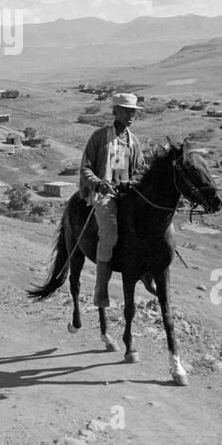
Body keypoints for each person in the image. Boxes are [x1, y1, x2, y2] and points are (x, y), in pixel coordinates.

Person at [79, 92, 147, 308]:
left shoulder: (133, 141)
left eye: (133, 111)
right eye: (126, 110)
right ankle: (100, 289)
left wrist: (132, 182)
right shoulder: (99, 137)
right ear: (115, 111)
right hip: (104, 195)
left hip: (128, 195)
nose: (131, 115)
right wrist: (98, 183)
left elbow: (141, 170)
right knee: (109, 234)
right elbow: (85, 168)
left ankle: (146, 272)